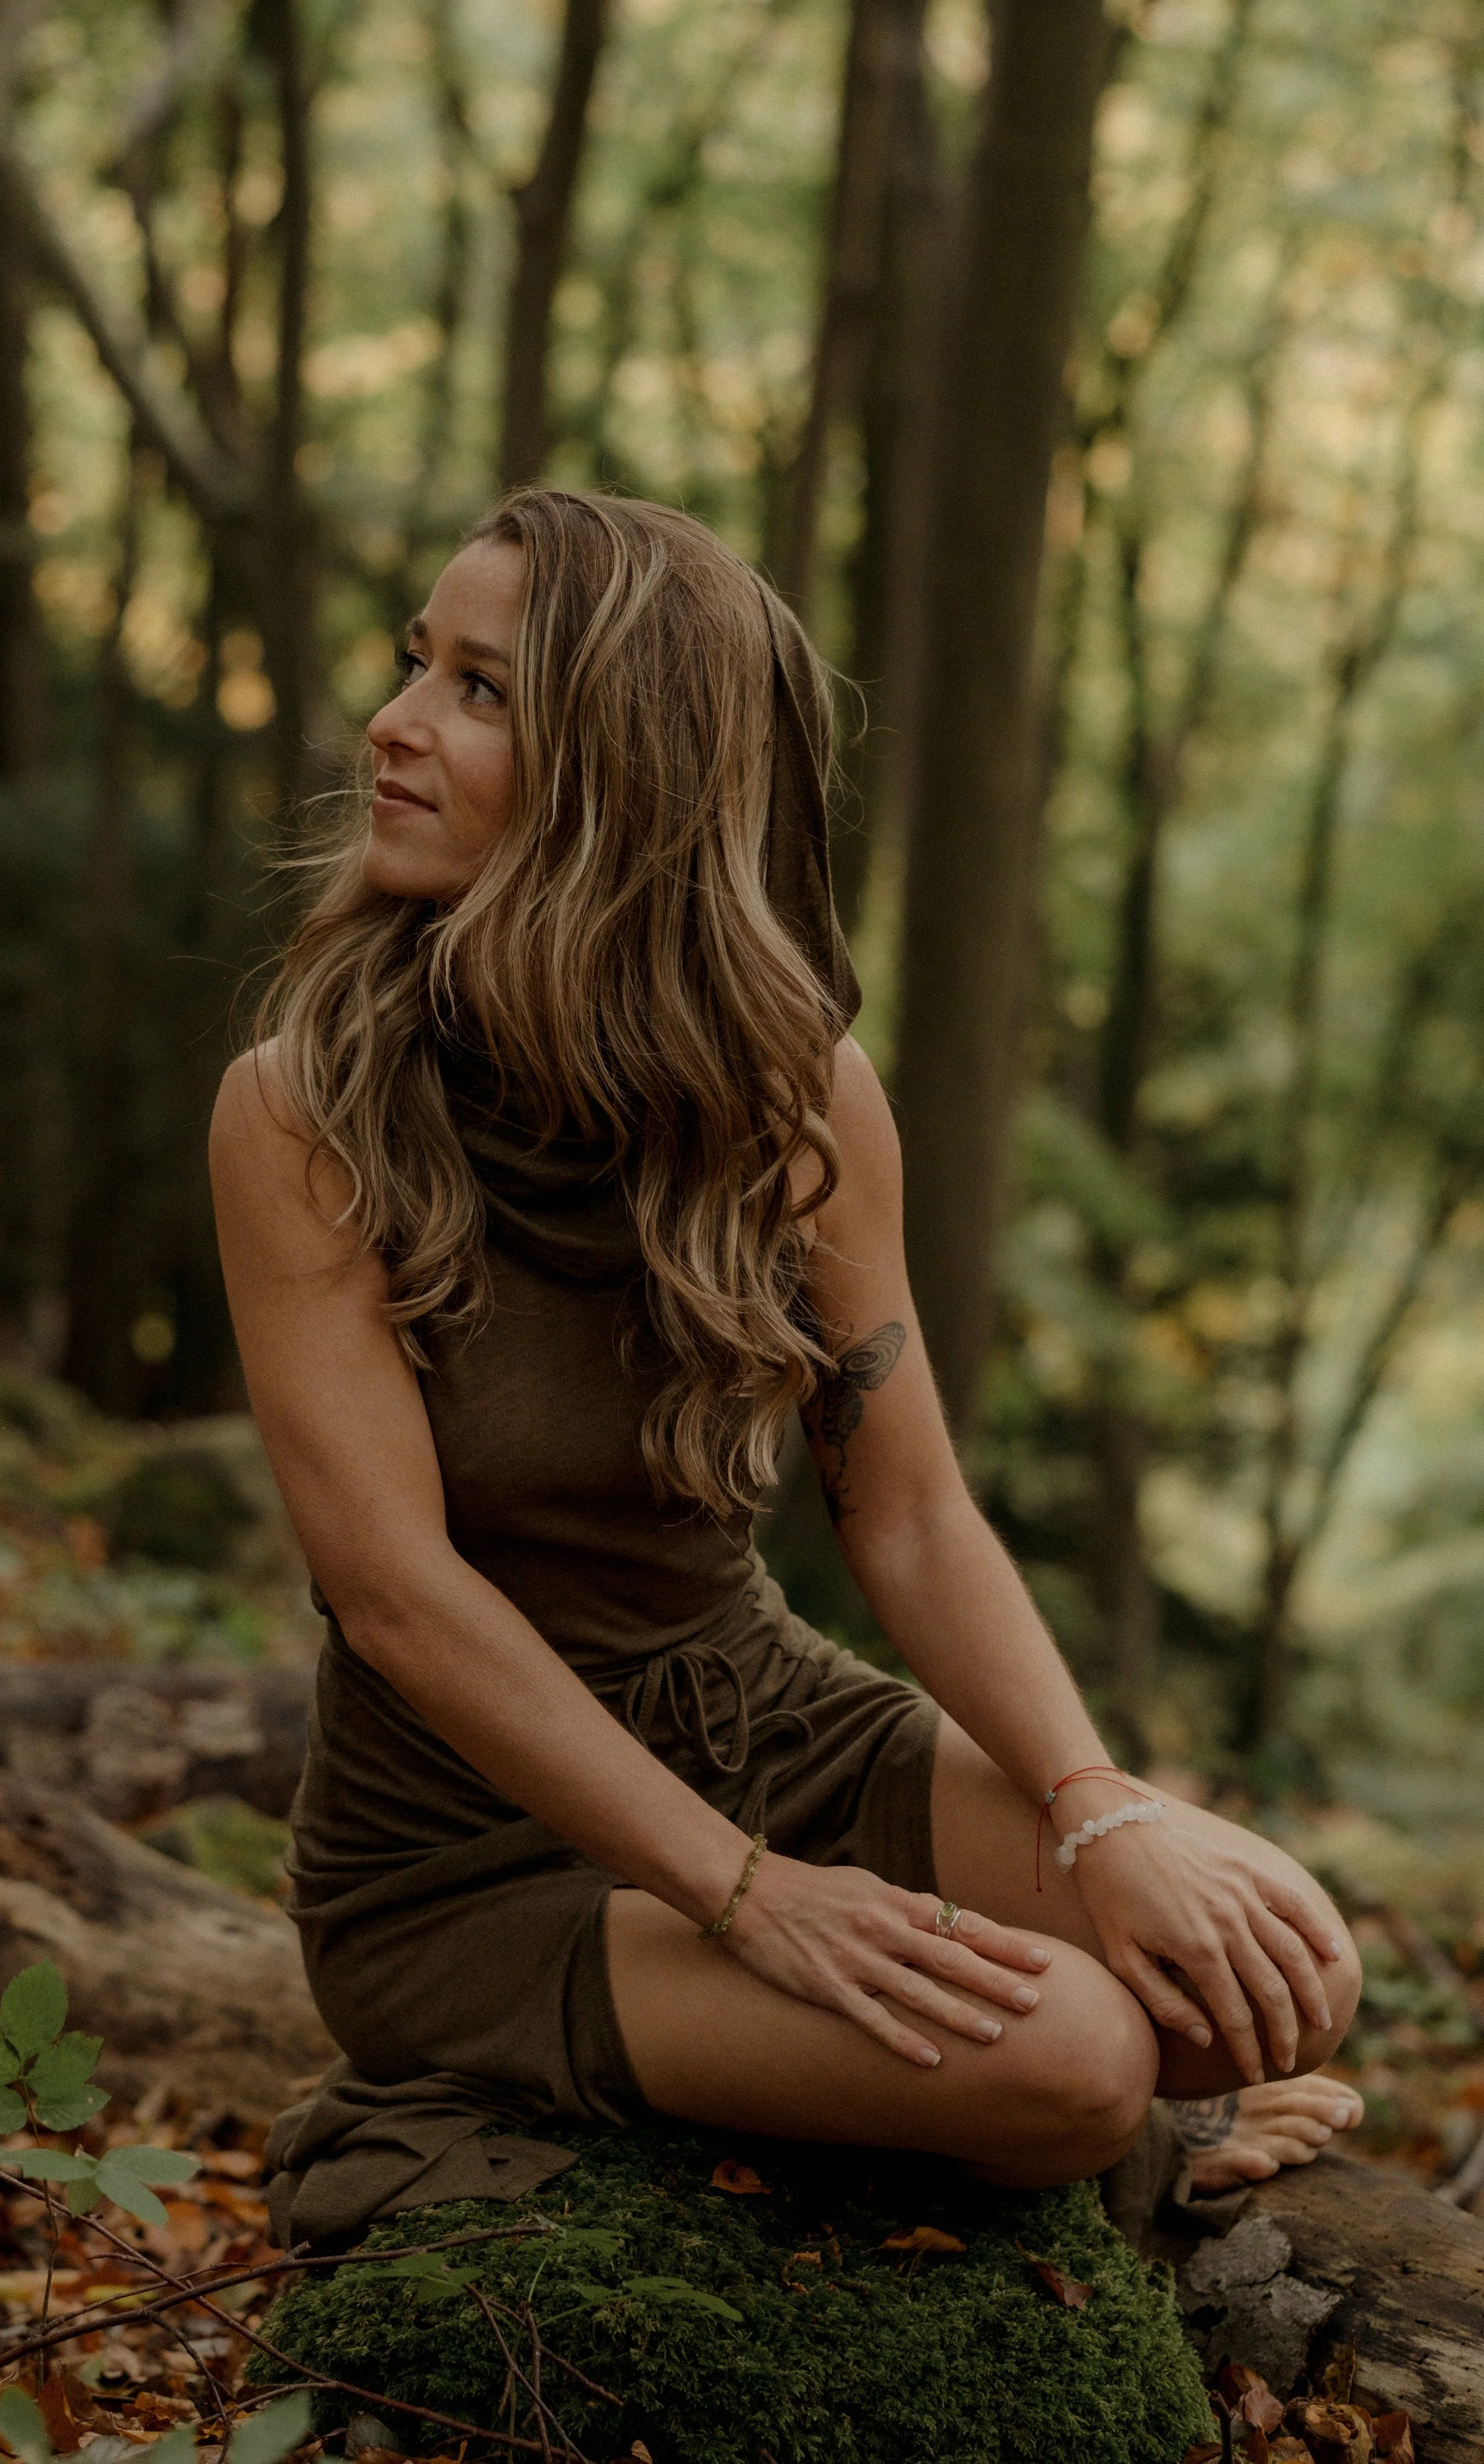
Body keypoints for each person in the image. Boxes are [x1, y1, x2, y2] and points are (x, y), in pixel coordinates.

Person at [211, 488, 1362, 2231]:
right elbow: (395, 1595)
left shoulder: (796, 1093)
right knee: (1077, 2060)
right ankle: (447, 2127)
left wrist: (1095, 1801)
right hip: (466, 1852)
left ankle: (848, 2084)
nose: (391, 721)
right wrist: (750, 1898)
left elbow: (904, 1514)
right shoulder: (301, 1109)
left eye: (479, 688)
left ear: (626, 771)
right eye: (413, 666)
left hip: (760, 1719)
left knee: (1267, 1968)